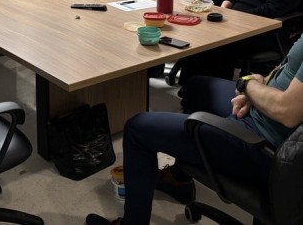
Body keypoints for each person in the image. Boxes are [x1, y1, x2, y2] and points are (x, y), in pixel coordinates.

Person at [85, 34, 303, 225]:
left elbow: (287, 111)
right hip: (262, 110)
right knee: (197, 87)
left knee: (137, 129)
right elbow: (288, 69)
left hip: (266, 144)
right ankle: (178, 179)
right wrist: (260, 83)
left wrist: (247, 84)